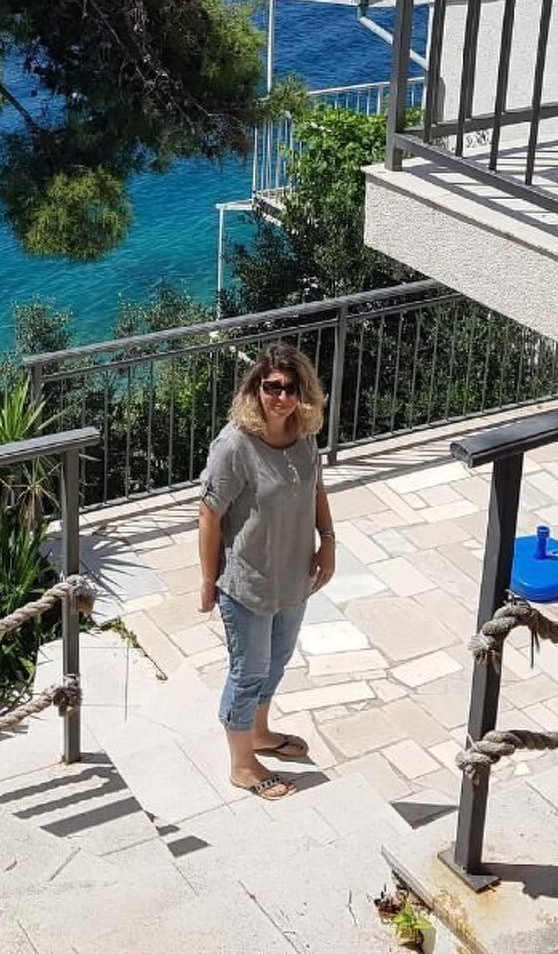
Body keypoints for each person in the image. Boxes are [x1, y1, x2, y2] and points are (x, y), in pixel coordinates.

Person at [197, 343, 336, 800]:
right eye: (270, 386)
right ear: (254, 388)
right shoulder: (235, 445)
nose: (279, 396)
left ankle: (258, 733)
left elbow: (317, 488)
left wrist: (328, 544)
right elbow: (209, 514)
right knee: (248, 669)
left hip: (294, 577)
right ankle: (241, 763)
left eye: (289, 388)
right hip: (248, 583)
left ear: (302, 393)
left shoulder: (304, 435)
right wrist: (207, 580)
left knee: (276, 660)